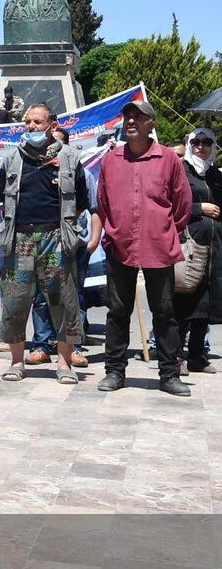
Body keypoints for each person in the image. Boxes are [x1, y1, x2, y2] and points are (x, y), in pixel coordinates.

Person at [95, 97, 192, 396]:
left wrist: (164, 231)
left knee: (164, 311)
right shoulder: (111, 160)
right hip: (120, 246)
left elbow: (182, 203)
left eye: (139, 117)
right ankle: (114, 371)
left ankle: (169, 375)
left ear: (152, 124)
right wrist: (114, 231)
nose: (132, 122)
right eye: (128, 118)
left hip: (157, 246)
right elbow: (103, 203)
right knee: (118, 310)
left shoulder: (168, 159)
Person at [0, 105, 94, 384]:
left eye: (37, 122)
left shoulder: (70, 158)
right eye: (27, 122)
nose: (30, 126)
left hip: (55, 239)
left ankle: (64, 365)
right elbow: (4, 199)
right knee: (15, 300)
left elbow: (81, 202)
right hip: (20, 239)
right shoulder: (12, 159)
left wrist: (62, 231)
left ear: (52, 125)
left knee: (62, 301)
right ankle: (16, 363)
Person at [174, 127, 222, 375]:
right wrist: (198, 207)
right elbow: (170, 205)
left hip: (215, 248)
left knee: (207, 302)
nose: (200, 147)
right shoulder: (180, 171)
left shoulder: (215, 175)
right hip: (190, 245)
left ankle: (197, 356)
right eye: (196, 142)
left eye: (206, 142)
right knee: (185, 298)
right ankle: (177, 356)